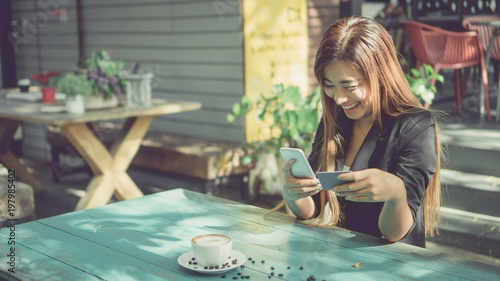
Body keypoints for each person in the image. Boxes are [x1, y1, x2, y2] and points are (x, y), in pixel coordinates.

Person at [278, 16, 443, 247]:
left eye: (350, 86)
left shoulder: (416, 126)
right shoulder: (336, 119)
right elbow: (310, 210)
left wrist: (396, 193)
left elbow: (394, 234)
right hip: (341, 259)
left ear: (381, 75)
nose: (340, 98)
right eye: (329, 86)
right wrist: (293, 192)